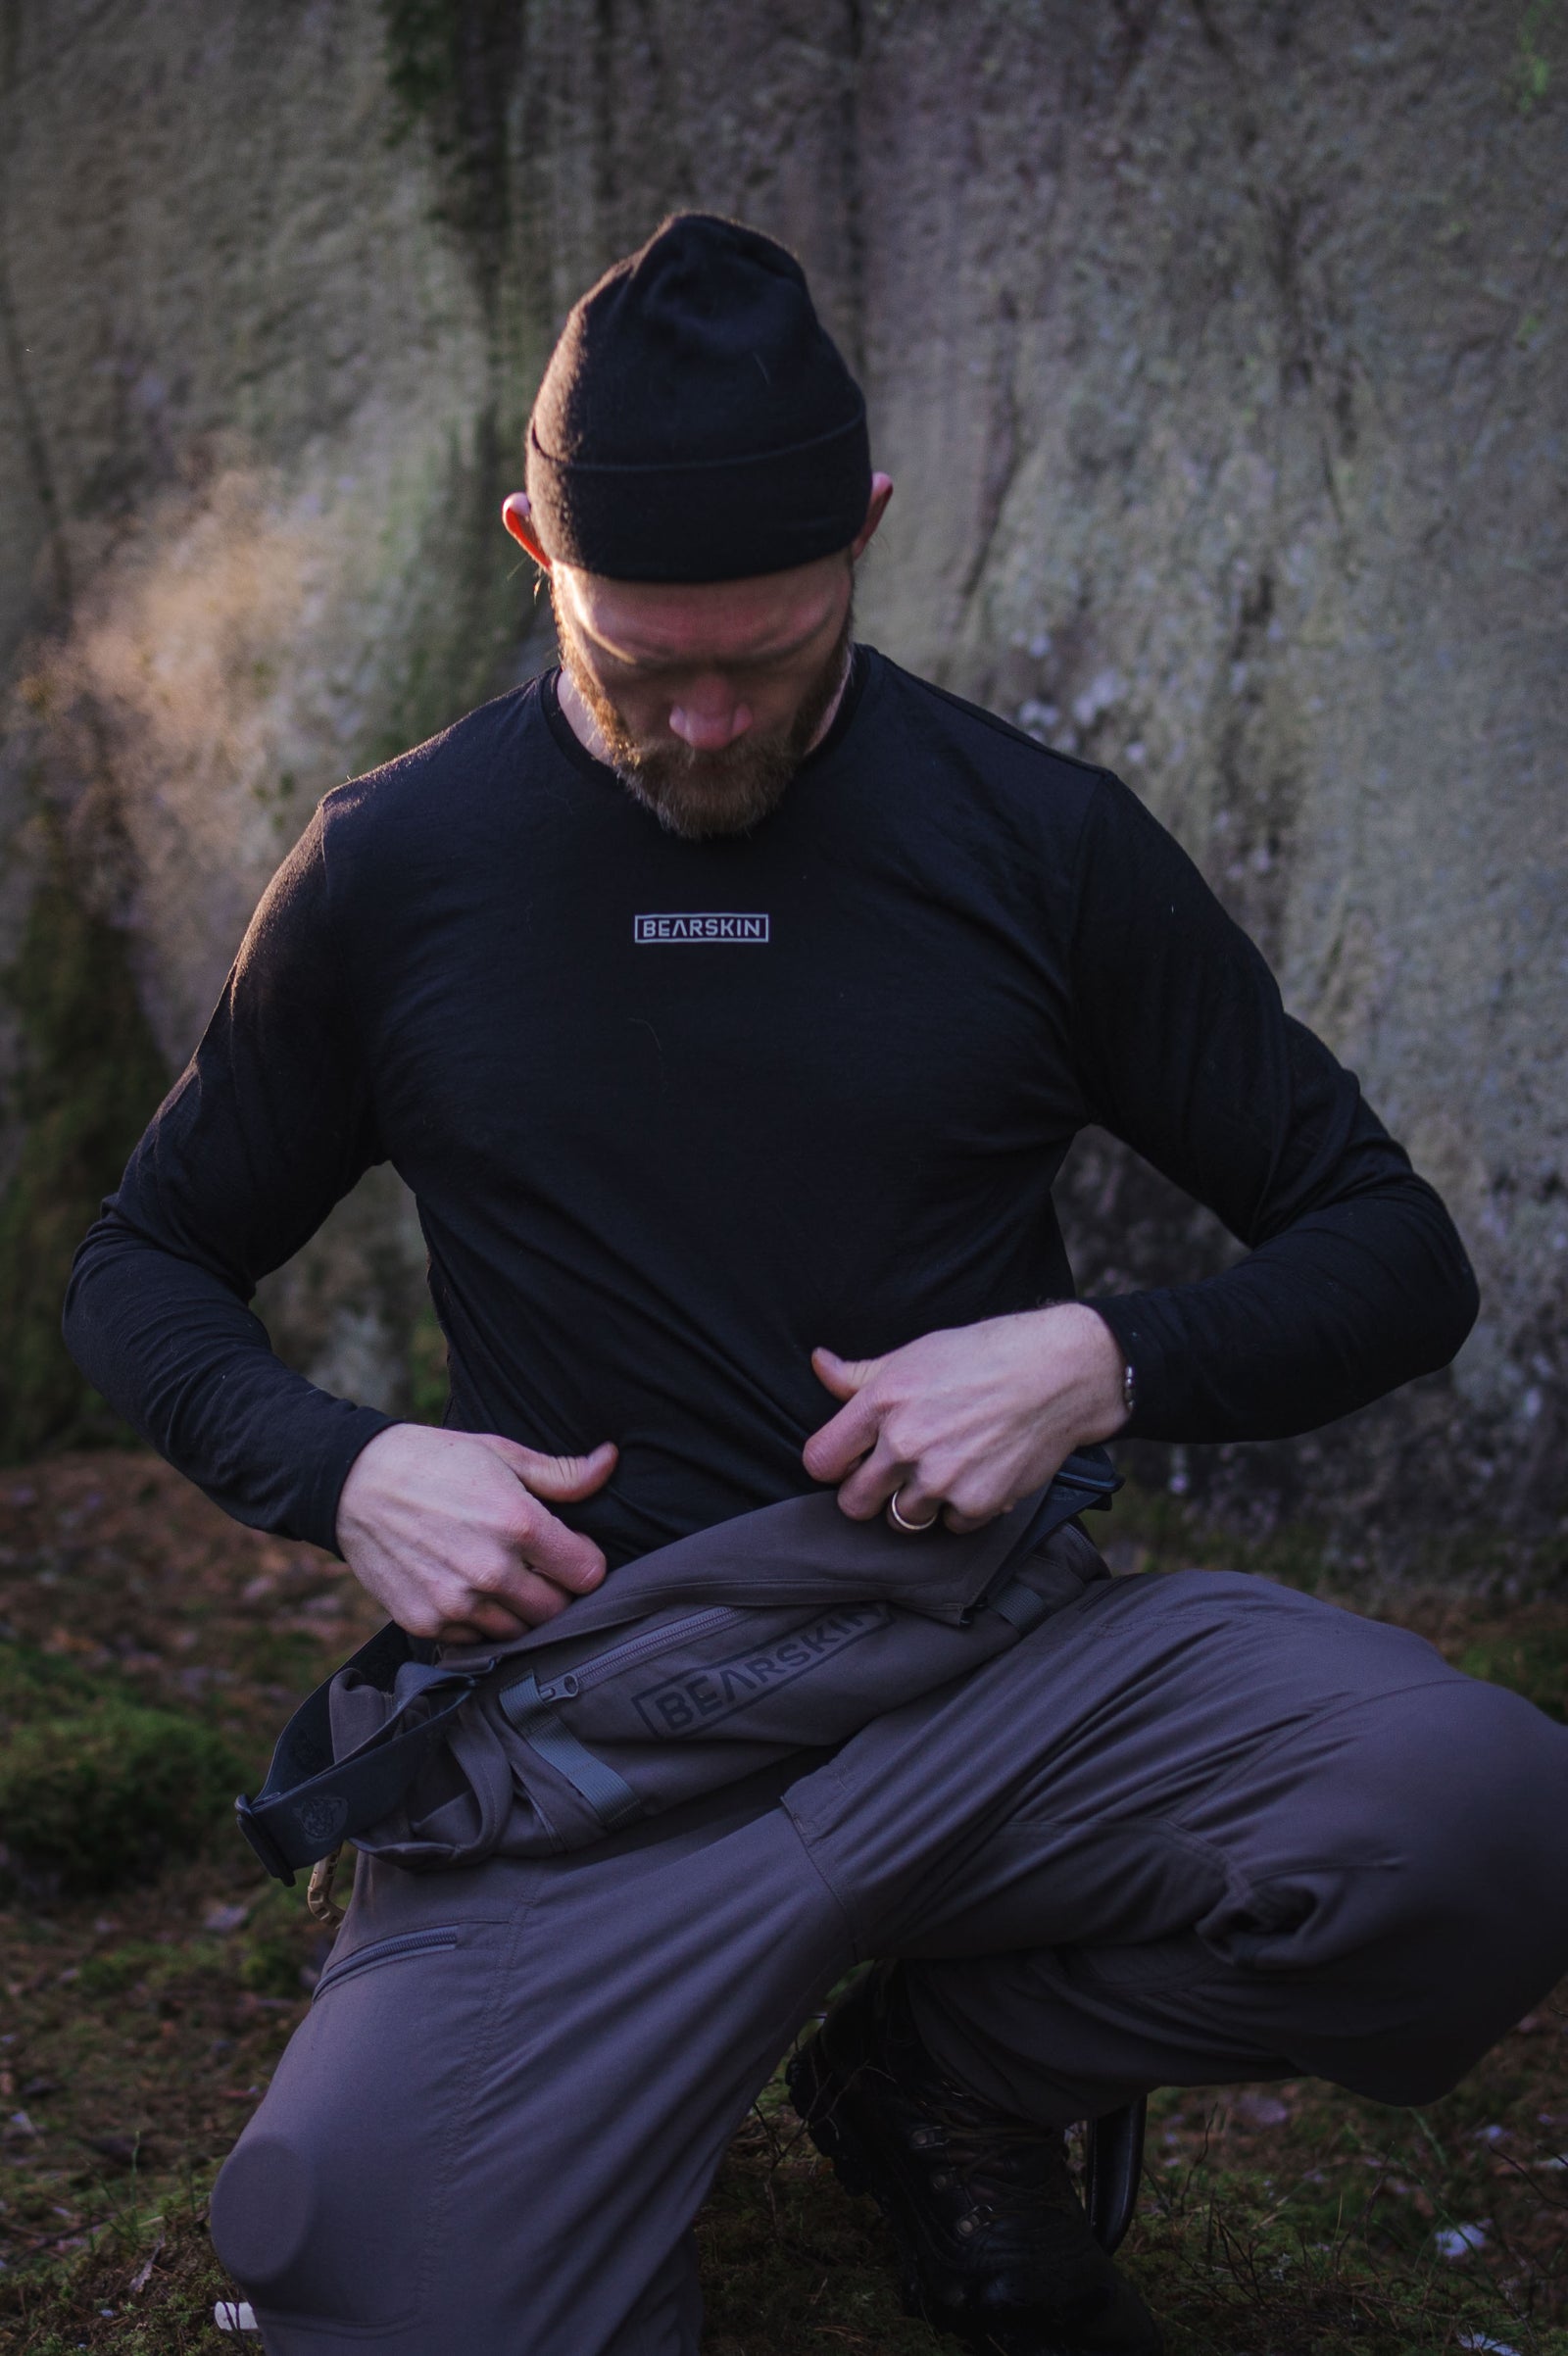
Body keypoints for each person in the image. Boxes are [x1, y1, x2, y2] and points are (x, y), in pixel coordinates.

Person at [64, 214, 1568, 2356]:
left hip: (992, 1685)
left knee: (1487, 1822)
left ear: (864, 530)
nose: (701, 718)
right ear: (533, 549)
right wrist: (351, 1469)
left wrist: (1096, 1356)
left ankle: (947, 2077)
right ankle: (612, 2079)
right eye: (636, 655)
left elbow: (1389, 1250)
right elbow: (143, 1266)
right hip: (596, 1742)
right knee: (361, 2270)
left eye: (765, 654)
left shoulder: (1034, 839)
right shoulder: (397, 866)